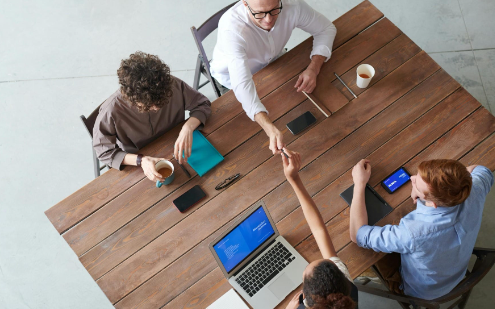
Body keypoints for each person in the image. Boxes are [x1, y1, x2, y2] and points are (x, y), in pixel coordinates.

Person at [350, 159, 494, 300]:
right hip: (457, 273)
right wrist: (450, 184)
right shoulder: (474, 191)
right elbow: (482, 170)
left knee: (368, 256)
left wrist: (359, 183)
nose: (411, 178)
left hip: (421, 292)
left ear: (431, 202)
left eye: (416, 184)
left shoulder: (412, 233)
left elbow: (357, 234)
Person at [211, 0, 336, 154]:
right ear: (245, 3)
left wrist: (314, 68)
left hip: (275, 62)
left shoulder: (293, 5)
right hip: (230, 78)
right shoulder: (232, 29)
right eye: (260, 13)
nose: (269, 20)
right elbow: (242, 84)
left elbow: (326, 29)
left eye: (274, 9)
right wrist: (269, 128)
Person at [93, 52, 211, 182]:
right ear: (131, 97)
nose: (157, 108)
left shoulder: (170, 84)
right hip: (140, 167)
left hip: (181, 150)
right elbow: (103, 152)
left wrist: (188, 127)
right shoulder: (111, 111)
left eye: (161, 101)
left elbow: (202, 103)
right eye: (149, 104)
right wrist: (141, 160)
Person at [281, 149, 357, 309]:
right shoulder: (346, 292)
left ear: (307, 300)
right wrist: (294, 179)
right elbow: (318, 230)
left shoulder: (348, 292)